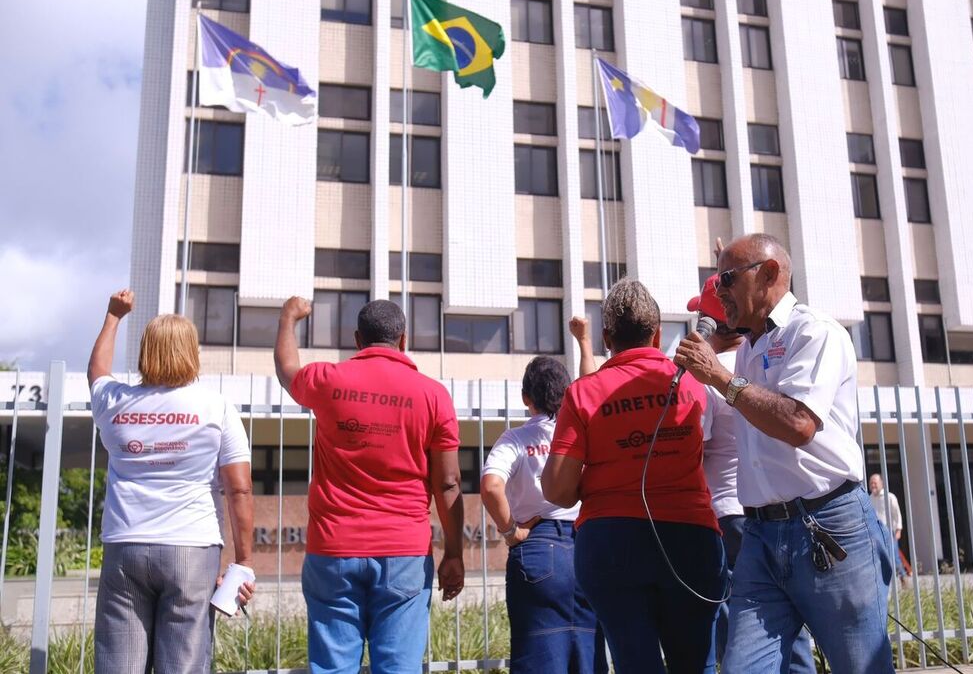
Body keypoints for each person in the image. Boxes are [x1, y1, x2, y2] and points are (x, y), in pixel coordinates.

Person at [675, 234, 894, 673]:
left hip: (827, 524)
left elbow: (798, 423)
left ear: (770, 274)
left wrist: (719, 378)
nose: (719, 295)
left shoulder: (814, 332)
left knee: (859, 665)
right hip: (760, 534)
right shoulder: (750, 347)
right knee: (742, 667)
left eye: (727, 281)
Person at [544, 279, 726, 674]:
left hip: (610, 540)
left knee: (634, 663)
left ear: (607, 336)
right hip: (690, 535)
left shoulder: (583, 393)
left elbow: (557, 489)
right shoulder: (696, 383)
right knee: (697, 664)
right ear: (658, 334)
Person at [275, 297, 465, 674]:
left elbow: (286, 369)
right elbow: (447, 483)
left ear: (358, 340)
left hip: (333, 549)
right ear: (404, 340)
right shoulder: (433, 395)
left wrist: (288, 319)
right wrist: (454, 553)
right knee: (398, 667)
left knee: (332, 667)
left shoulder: (327, 380)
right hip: (404, 551)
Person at [88, 289, 255, 674]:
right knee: (183, 664)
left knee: (119, 663)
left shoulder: (116, 402)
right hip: (191, 549)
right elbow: (239, 489)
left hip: (125, 546)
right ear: (192, 352)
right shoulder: (216, 407)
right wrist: (243, 561)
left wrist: (114, 315)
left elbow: (96, 371)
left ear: (146, 352)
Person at [480, 356, 607, 674]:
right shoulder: (584, 436)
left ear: (526, 398)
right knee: (590, 653)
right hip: (589, 548)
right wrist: (584, 341)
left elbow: (491, 485)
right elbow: (592, 389)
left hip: (537, 548)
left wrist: (511, 532)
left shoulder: (516, 439)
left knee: (538, 654)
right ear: (566, 394)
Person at [869, 473, 908, 585]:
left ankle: (903, 579)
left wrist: (898, 530)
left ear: (881, 483)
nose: (873, 485)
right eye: (871, 483)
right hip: (875, 533)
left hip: (889, 531)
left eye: (875, 483)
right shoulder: (869, 498)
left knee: (894, 556)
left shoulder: (890, 497)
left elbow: (897, 514)